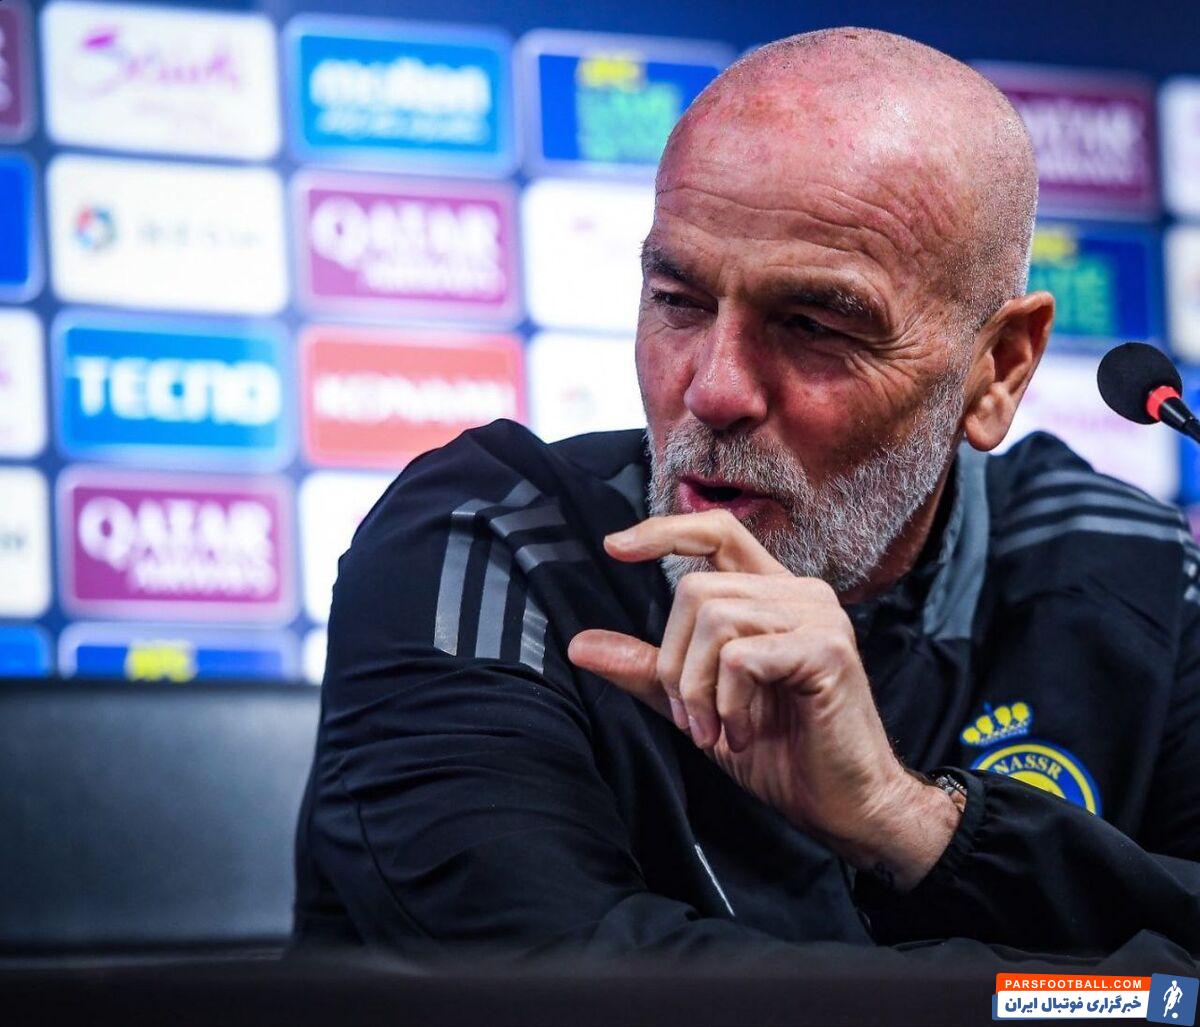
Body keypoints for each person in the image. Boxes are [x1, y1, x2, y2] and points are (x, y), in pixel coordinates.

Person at [292, 28, 1200, 961]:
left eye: (812, 325)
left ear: (997, 366)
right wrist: (1100, 995)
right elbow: (562, 990)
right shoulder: (484, 548)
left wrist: (909, 821)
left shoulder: (1130, 566)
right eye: (678, 302)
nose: (714, 389)